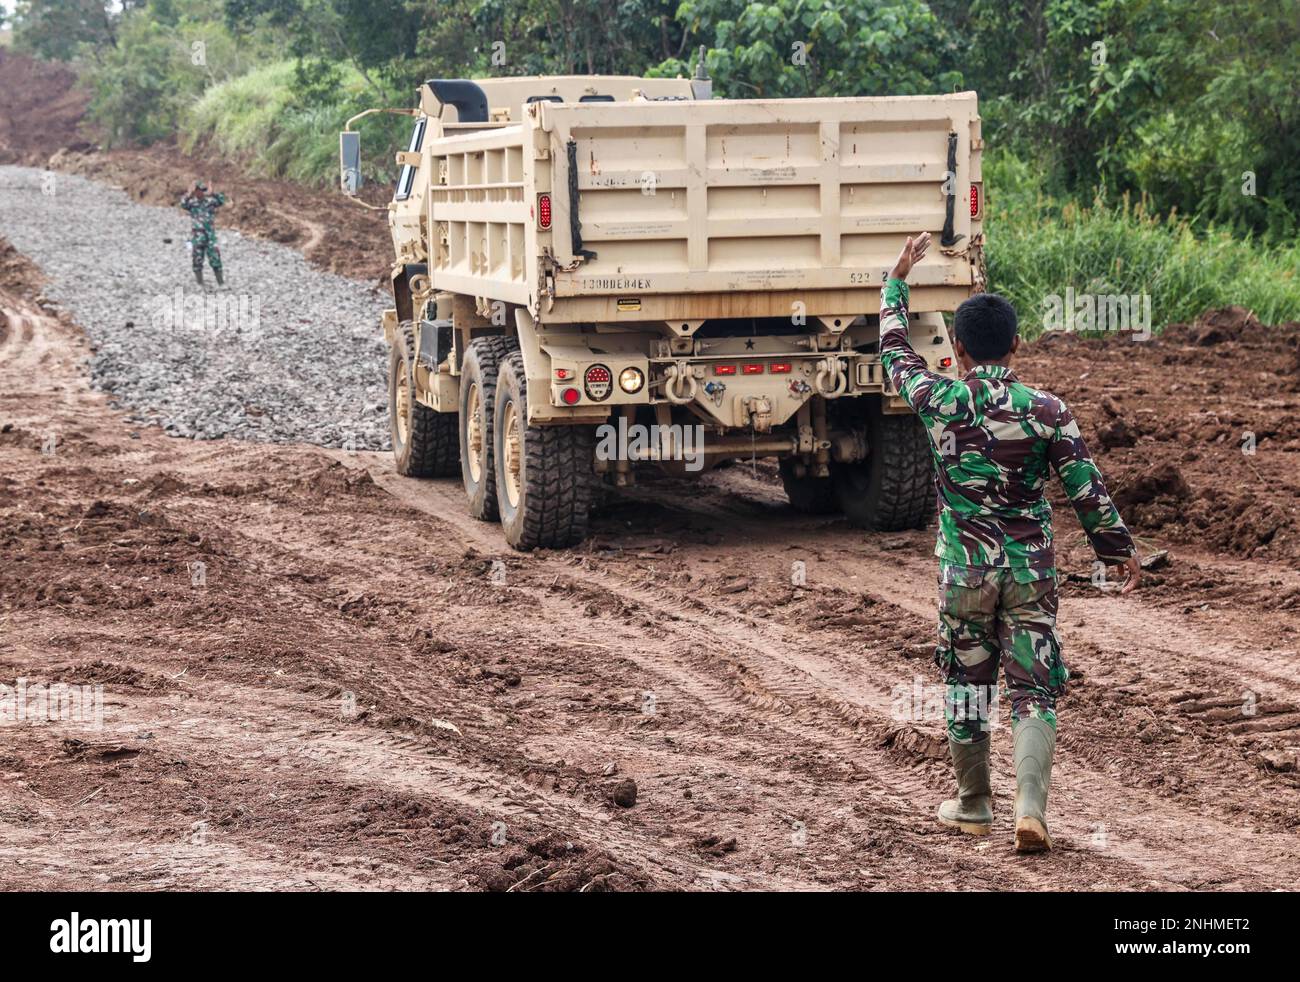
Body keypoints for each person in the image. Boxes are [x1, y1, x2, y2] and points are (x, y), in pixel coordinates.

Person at [878, 232, 1140, 852]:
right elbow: (1085, 487)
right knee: (1034, 686)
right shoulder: (1048, 410)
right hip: (1030, 572)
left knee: (968, 684)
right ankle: (1031, 809)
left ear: (960, 349)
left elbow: (894, 348)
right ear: (1016, 343)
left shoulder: (941, 398)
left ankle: (972, 805)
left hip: (964, 574)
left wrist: (896, 282)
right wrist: (1116, 550)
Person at [180, 181, 227, 286]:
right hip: (197, 237)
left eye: (202, 190)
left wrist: (213, 193)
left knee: (215, 258)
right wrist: (188, 194)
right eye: (199, 191)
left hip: (210, 236)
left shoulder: (210, 202)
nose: (201, 193)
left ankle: (221, 282)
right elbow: (182, 204)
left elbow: (222, 201)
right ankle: (200, 283)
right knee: (197, 259)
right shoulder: (192, 203)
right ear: (195, 191)